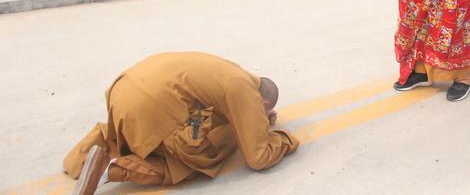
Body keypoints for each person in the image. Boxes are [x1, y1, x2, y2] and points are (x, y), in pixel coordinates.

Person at [65, 52, 299, 195]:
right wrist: (285, 139)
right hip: (152, 106)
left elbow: (207, 112)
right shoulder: (245, 91)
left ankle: (81, 158)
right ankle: (111, 169)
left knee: (152, 129)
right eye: (263, 111)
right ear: (264, 101)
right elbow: (258, 157)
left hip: (126, 89)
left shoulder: (233, 72)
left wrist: (256, 117)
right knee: (193, 162)